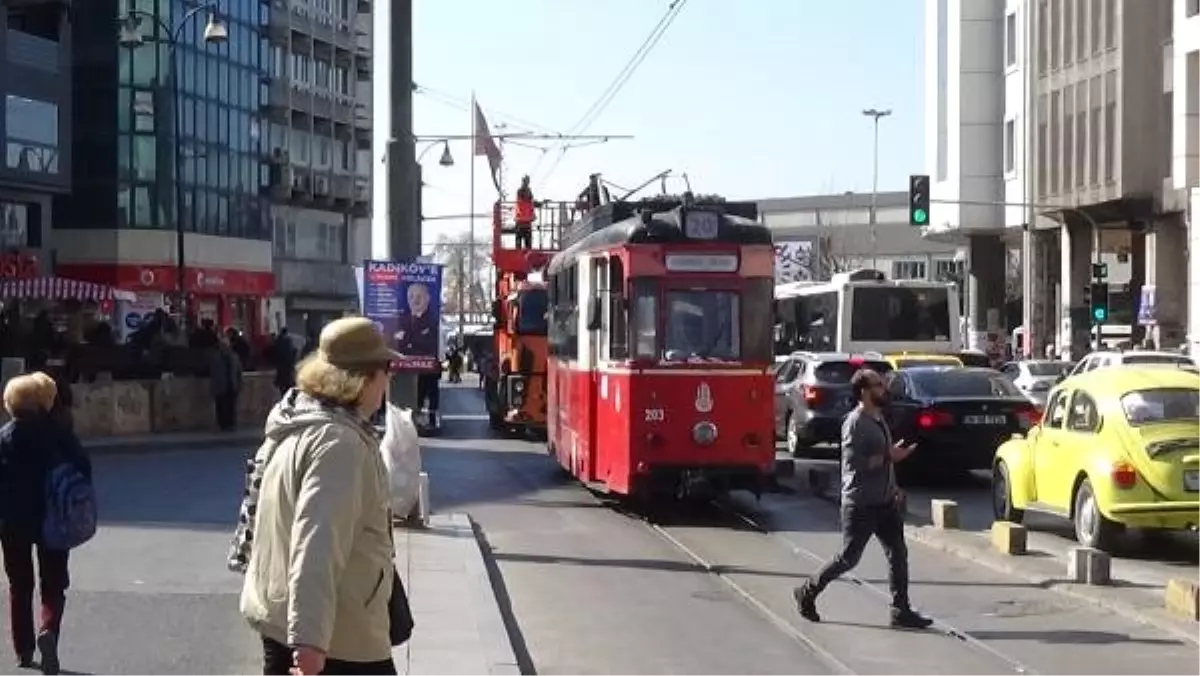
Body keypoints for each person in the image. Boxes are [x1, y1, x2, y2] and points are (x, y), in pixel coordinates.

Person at [241, 317, 400, 676]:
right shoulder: (338, 443)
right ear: (362, 378)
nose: (389, 380)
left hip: (287, 619)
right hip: (338, 639)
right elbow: (317, 543)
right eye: (385, 369)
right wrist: (310, 643)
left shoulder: (295, 421)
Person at [793, 368, 933, 630]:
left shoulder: (877, 417)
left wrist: (894, 487)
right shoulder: (855, 422)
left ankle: (900, 609)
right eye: (878, 385)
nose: (884, 389)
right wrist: (890, 456)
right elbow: (854, 463)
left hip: (884, 502)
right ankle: (807, 591)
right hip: (860, 504)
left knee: (898, 554)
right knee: (848, 558)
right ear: (864, 392)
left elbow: (884, 459)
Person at [0, 373, 91, 674]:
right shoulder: (59, 435)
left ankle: (23, 649)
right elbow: (83, 469)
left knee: (19, 584)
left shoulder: (4, 437)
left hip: (11, 520)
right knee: (53, 583)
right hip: (55, 518)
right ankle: (48, 629)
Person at [393, 282, 438, 357]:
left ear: (427, 298)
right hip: (401, 365)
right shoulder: (399, 320)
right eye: (411, 296)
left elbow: (430, 346)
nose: (415, 300)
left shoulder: (434, 321)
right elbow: (392, 344)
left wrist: (406, 337)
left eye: (419, 296)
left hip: (424, 365)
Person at [211, 335, 244, 431]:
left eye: (225, 345)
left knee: (231, 407)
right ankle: (223, 424)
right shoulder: (216, 358)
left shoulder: (234, 357)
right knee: (220, 407)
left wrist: (239, 384)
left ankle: (231, 424)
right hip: (221, 386)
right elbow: (214, 373)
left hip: (231, 385)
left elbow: (239, 371)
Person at [514, 175, 536, 249]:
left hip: (524, 221)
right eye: (526, 181)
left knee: (526, 243)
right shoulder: (521, 191)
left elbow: (530, 203)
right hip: (522, 221)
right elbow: (525, 203)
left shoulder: (525, 191)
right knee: (522, 243)